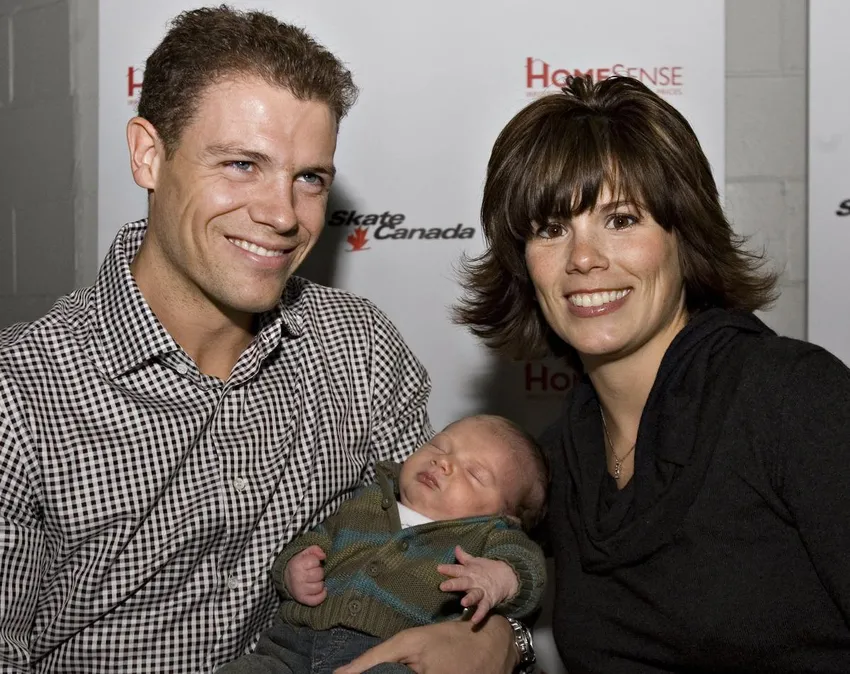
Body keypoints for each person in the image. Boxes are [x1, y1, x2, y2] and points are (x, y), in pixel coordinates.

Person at [0, 7, 523, 673]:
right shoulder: (20, 394)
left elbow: (441, 552)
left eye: (309, 178)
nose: (282, 215)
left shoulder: (358, 351)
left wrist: (505, 637)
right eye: (243, 164)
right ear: (148, 154)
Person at [455, 74, 850, 673]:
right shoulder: (563, 457)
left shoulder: (792, 397)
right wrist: (500, 639)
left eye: (620, 219)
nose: (583, 259)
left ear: (682, 234)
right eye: (552, 229)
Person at [220, 414, 548, 674]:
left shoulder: (488, 535)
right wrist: (294, 569)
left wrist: (502, 578)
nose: (443, 463)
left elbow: (528, 565)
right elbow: (314, 540)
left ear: (506, 516)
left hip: (395, 658)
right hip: (292, 647)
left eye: (474, 474)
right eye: (439, 446)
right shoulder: (367, 500)